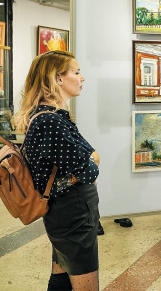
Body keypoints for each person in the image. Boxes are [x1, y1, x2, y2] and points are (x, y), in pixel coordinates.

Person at [14, 50, 100, 291]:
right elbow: (89, 170)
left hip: (65, 209)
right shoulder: (50, 121)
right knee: (84, 281)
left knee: (61, 273)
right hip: (73, 212)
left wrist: (90, 158)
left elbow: (84, 160)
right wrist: (92, 159)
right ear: (58, 78)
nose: (82, 78)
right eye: (76, 72)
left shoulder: (50, 116)